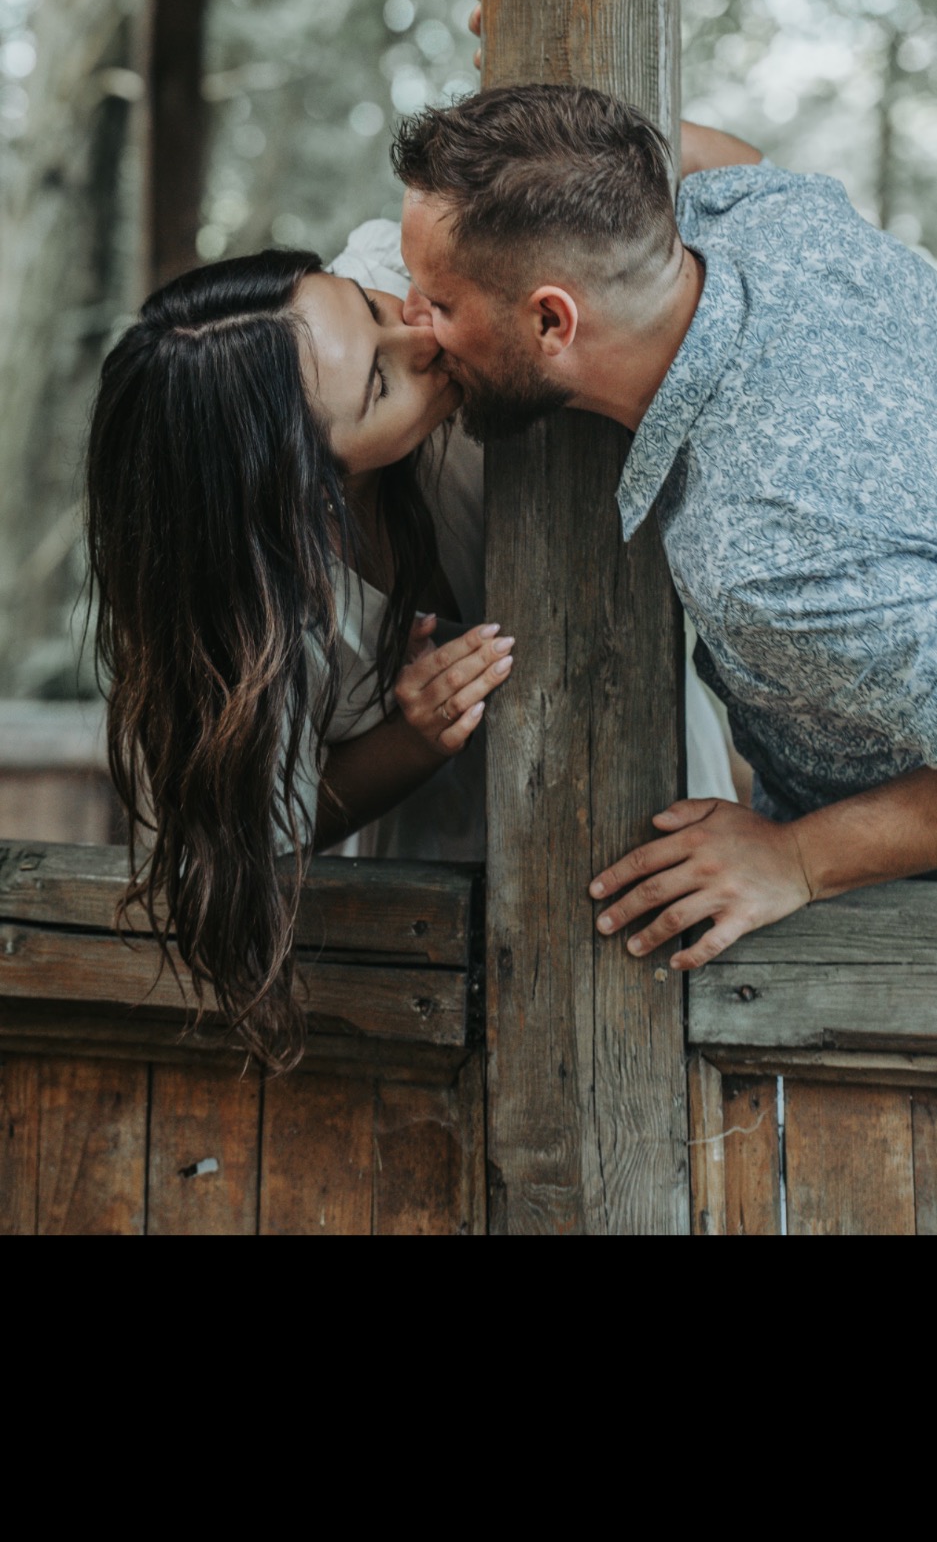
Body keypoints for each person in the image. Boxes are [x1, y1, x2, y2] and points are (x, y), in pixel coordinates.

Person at [87, 224, 734, 1066]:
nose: (421, 334)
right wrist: (413, 740)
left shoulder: (422, 277)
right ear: (301, 496)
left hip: (671, 815)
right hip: (449, 929)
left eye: (366, 306)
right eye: (379, 383)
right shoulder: (255, 615)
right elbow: (265, 832)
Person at [393, 80, 937, 973]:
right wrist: (533, 134)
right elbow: (719, 157)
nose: (415, 321)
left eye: (439, 302)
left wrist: (798, 861)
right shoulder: (756, 217)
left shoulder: (766, 558)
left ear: (548, 320)